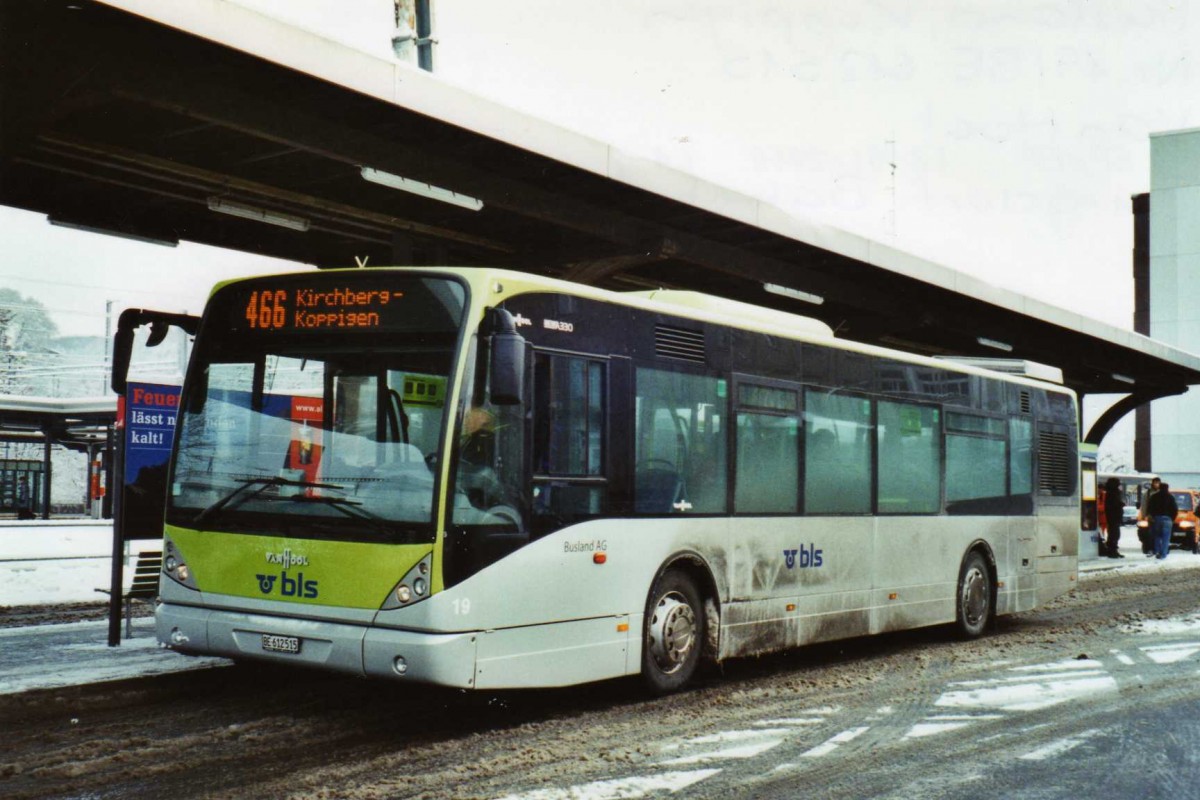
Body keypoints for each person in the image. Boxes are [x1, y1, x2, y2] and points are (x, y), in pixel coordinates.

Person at [1145, 480, 1178, 560]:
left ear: (1159, 488)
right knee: (1166, 537)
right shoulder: (1170, 497)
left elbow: (1149, 507)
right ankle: (1163, 554)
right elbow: (1175, 509)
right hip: (1167, 519)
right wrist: (1172, 518)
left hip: (1157, 518)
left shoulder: (1154, 496)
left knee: (1157, 536)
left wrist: (1151, 516)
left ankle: (1157, 551)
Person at [1138, 476, 1162, 555]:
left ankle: (1157, 548)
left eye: (1158, 483)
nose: (1157, 484)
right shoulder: (1148, 493)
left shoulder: (1162, 492)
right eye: (1155, 483)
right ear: (1152, 483)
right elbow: (1144, 504)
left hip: (1160, 516)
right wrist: (1144, 515)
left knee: (1159, 533)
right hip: (1151, 516)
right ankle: (1151, 548)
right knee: (1151, 533)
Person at [1102, 477, 1125, 558]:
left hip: (1113, 517)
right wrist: (1121, 504)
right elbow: (1114, 504)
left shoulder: (1111, 492)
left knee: (1114, 534)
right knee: (1114, 534)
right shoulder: (1112, 493)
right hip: (1113, 517)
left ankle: (1113, 550)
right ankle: (1112, 550)